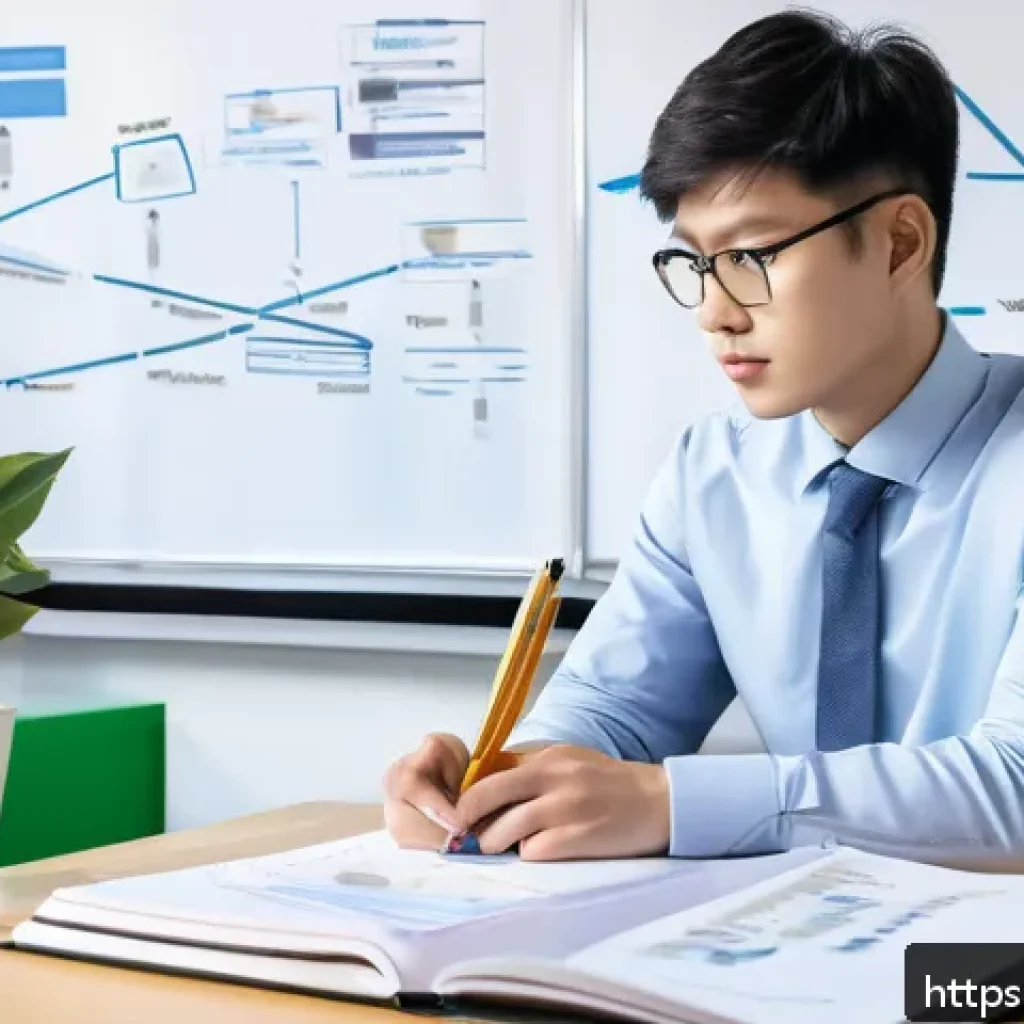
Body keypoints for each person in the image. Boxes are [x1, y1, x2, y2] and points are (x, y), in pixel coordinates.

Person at [383, 10, 1024, 863]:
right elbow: (612, 712)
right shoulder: (714, 471)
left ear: (901, 242)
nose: (716, 313)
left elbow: (1012, 787)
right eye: (694, 262)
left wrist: (673, 804)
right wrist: (504, 782)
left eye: (752, 256)